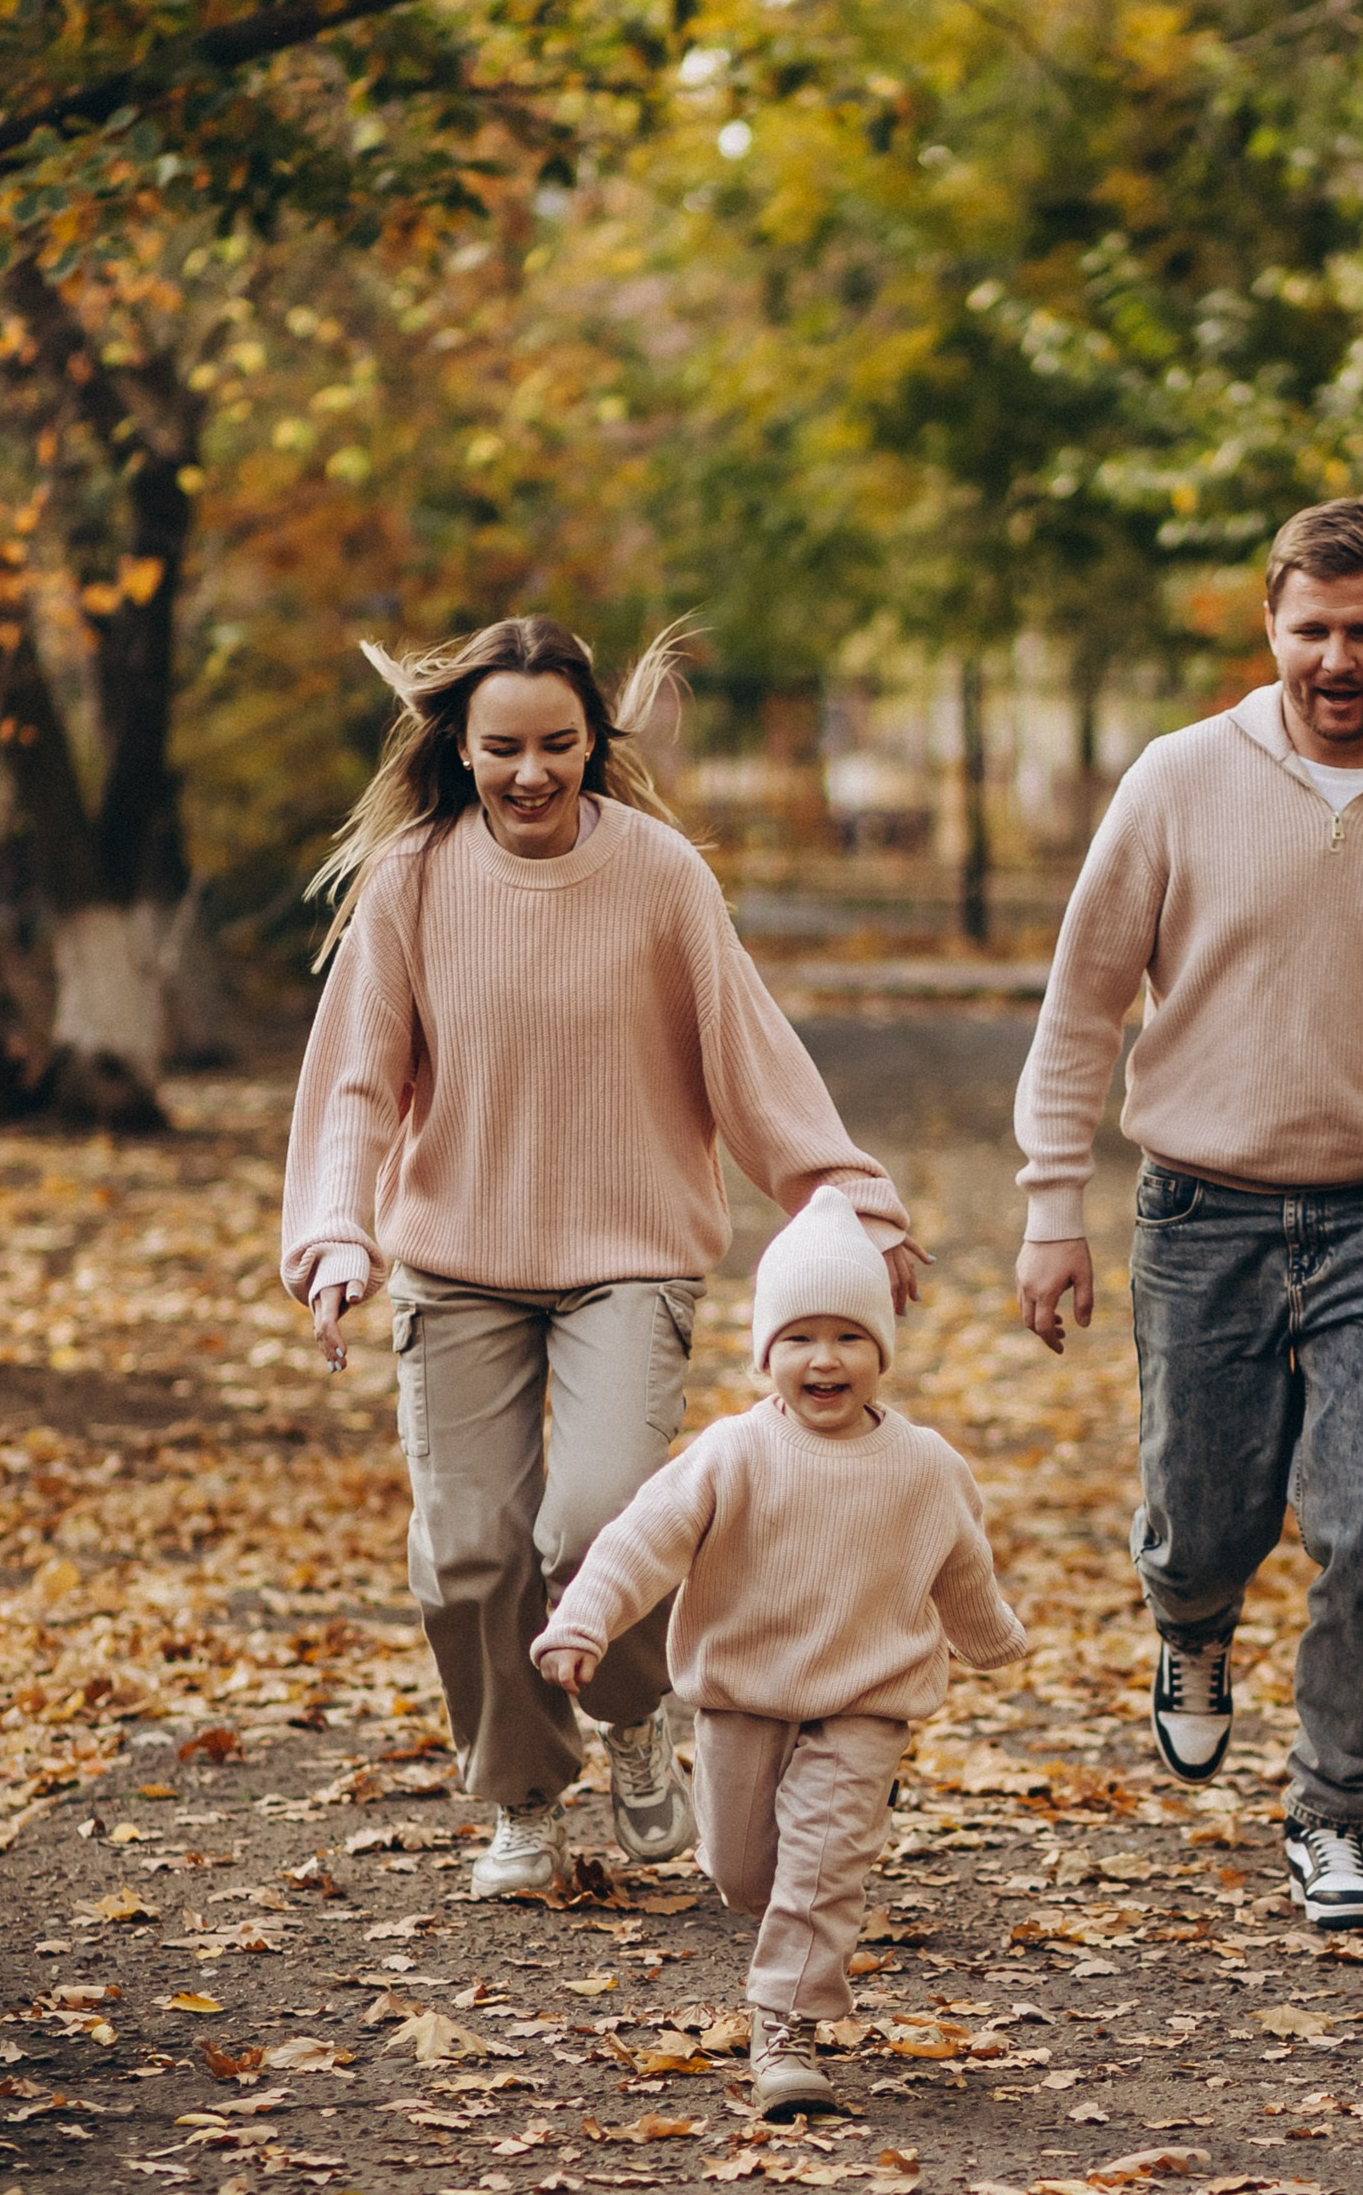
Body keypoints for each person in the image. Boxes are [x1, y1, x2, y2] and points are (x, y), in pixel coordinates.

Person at [1012, 495, 1363, 1931]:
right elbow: (1085, 1000)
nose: (1337, 659)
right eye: (1310, 629)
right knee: (1205, 1527)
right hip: (1200, 1209)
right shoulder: (1176, 779)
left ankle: (1334, 1817)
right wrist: (1049, 1205)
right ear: (1270, 624)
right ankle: (1191, 1627)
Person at [281, 617, 917, 1903]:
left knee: (596, 1519)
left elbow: (746, 1055)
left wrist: (848, 1197)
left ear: (593, 745)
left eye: (558, 745)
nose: (530, 773)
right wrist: (336, 1230)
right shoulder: (410, 880)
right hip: (458, 1258)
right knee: (468, 1550)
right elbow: (356, 1081)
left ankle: (634, 1718)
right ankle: (521, 1799)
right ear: (459, 749)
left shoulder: (659, 874)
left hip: (627, 1252)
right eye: (502, 747)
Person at [533, 1186, 1026, 2116]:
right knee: (743, 1872)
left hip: (867, 1696)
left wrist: (991, 1639)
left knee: (822, 1864)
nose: (824, 1358)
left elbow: (960, 1565)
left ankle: (785, 2031)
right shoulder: (733, 1453)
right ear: (768, 1354)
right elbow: (642, 1539)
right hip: (742, 1693)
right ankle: (785, 1919)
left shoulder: (926, 1466)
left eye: (849, 1337)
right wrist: (585, 1621)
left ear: (881, 1350)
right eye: (799, 1338)